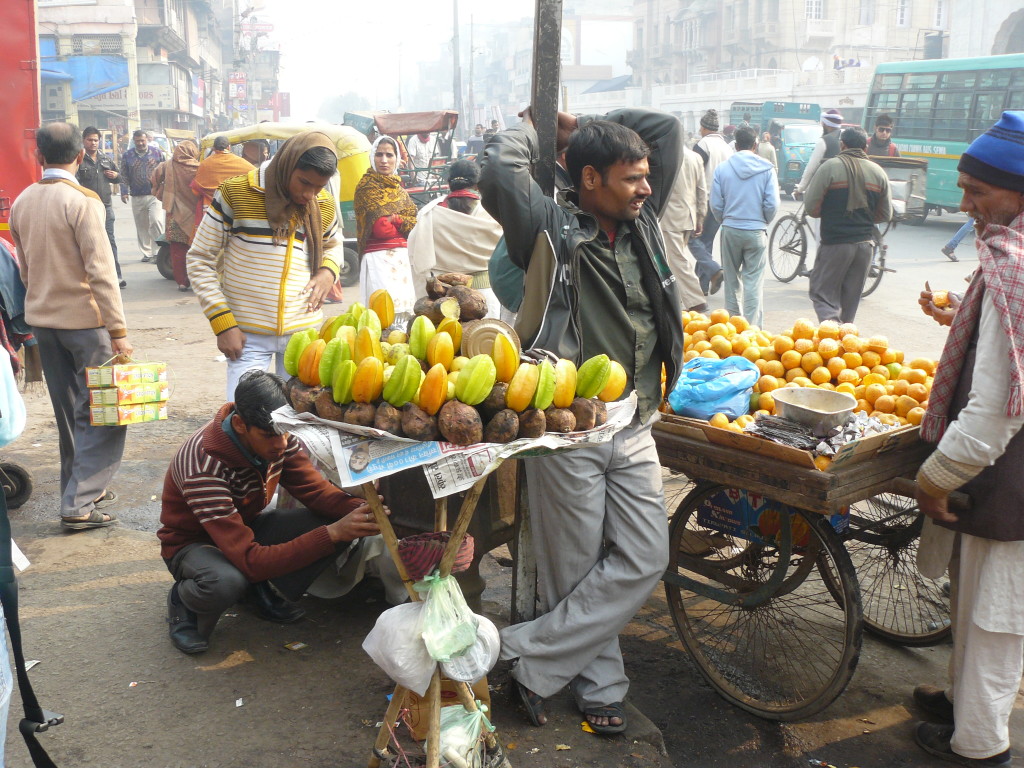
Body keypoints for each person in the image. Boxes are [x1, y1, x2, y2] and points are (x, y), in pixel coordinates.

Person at [479, 107, 683, 735]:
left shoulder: (640, 218)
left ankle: (521, 654)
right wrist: (537, 130)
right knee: (574, 568)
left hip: (636, 418)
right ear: (591, 180)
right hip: (571, 426)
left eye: (646, 178)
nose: (647, 188)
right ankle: (602, 688)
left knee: (646, 557)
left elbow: (667, 130)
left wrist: (583, 124)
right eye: (631, 179)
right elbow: (498, 171)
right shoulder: (550, 227)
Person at [911, 111, 1024, 768]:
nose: (964, 204)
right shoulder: (1007, 257)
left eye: (977, 192)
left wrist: (935, 479)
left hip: (1006, 477)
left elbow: (993, 412)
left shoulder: (1015, 266)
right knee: (979, 600)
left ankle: (980, 748)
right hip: (1002, 474)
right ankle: (964, 706)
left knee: (994, 619)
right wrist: (957, 315)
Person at [158, 370, 390, 654]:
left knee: (341, 520)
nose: (281, 444)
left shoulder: (277, 434)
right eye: (269, 436)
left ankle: (254, 588)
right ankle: (185, 602)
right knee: (226, 581)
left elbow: (316, 493)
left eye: (284, 434)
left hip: (244, 529)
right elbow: (250, 559)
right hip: (193, 545)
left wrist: (368, 512)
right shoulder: (204, 466)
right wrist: (334, 533)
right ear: (241, 425)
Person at [9, 122, 133, 530]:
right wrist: (119, 331)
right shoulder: (83, 201)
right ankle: (79, 503)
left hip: (44, 324)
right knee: (106, 413)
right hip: (86, 324)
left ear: (39, 157)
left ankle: (81, 489)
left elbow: (24, 269)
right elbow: (102, 273)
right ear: (80, 156)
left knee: (70, 413)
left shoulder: (23, 201)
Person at [187, 131, 344, 399]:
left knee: (298, 422)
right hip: (246, 335)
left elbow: (333, 243)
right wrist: (223, 324)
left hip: (304, 334)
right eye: (304, 183)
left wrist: (328, 270)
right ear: (287, 165)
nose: (309, 194)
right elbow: (200, 257)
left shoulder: (323, 204)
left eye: (318, 187)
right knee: (247, 420)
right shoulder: (235, 193)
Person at [801, 126, 892, 323]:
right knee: (850, 303)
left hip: (835, 244)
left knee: (822, 294)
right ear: (865, 147)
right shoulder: (878, 172)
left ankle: (831, 333)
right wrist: (862, 218)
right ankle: (845, 341)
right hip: (865, 246)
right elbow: (885, 214)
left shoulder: (830, 167)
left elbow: (811, 208)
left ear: (842, 145)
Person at [408, 158, 504, 317]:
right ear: (477, 184)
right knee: (485, 339)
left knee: (449, 340)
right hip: (484, 295)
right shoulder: (493, 210)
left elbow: (416, 254)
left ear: (449, 183)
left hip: (444, 297)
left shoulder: (430, 213)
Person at [711, 125, 780, 329]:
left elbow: (715, 204)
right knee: (753, 283)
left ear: (735, 144)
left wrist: (725, 219)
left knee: (731, 281)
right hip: (756, 231)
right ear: (755, 144)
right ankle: (752, 329)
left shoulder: (722, 168)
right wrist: (762, 221)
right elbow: (772, 204)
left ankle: (732, 328)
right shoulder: (767, 169)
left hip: (730, 229)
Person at [354, 136, 417, 328]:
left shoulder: (400, 190)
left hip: (403, 260)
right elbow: (382, 229)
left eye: (389, 155)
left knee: (406, 319)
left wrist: (396, 219)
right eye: (379, 154)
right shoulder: (366, 187)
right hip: (378, 259)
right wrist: (401, 222)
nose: (384, 160)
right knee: (383, 319)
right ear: (372, 157)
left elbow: (415, 224)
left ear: (397, 159)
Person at [659, 142, 708, 312]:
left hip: (671, 217)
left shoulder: (666, 157)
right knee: (675, 258)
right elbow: (702, 190)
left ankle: (696, 300)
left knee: (677, 260)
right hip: (689, 216)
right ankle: (677, 300)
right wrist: (700, 216)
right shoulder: (695, 157)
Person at [689, 108, 733, 295]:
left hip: (704, 200)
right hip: (722, 202)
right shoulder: (728, 147)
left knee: (692, 240)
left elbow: (695, 174)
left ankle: (713, 271)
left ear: (704, 127)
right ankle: (704, 284)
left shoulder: (703, 145)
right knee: (706, 241)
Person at [76, 126, 125, 288]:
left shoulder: (106, 159)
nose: (93, 143)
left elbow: (119, 178)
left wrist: (115, 176)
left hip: (105, 207)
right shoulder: (78, 160)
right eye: (90, 140)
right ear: (84, 141)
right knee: (87, 242)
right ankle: (89, 278)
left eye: (96, 140)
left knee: (109, 242)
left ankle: (116, 276)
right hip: (86, 208)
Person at [151, 140, 201, 292]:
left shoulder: (167, 165)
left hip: (174, 214)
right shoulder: (200, 168)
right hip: (196, 214)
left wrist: (159, 191)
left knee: (178, 249)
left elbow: (154, 178)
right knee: (197, 248)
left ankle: (182, 282)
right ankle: (198, 281)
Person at [119, 129, 165, 263]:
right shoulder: (127, 155)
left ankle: (158, 252)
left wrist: (164, 188)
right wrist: (123, 191)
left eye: (142, 140)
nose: (140, 143)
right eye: (137, 141)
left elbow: (165, 171)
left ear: (147, 140)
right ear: (134, 141)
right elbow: (123, 175)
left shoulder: (157, 153)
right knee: (142, 225)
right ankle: (147, 253)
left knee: (156, 221)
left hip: (154, 195)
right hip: (137, 195)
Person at [191, 135, 254, 222]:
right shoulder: (241, 162)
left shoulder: (205, 164)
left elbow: (195, 190)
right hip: (234, 208)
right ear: (229, 147)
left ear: (214, 148)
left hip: (210, 210)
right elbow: (254, 177)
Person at [794, 109, 844, 198]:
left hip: (825, 188)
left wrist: (800, 189)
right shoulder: (847, 138)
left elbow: (811, 168)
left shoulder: (824, 141)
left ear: (825, 124)